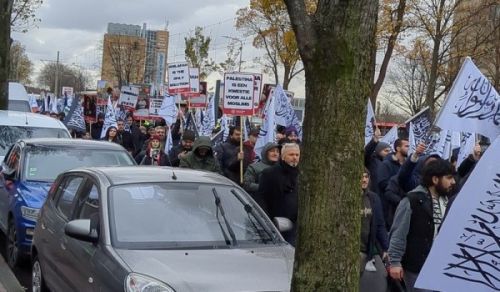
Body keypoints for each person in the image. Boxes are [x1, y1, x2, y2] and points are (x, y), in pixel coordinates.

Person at [388, 159, 456, 291]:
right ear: (435, 179)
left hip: (438, 265)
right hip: (416, 267)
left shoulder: (446, 200)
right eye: (449, 178)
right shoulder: (412, 200)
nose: (453, 182)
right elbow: (398, 234)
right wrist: (395, 262)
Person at [258, 143, 300, 246]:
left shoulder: (302, 173)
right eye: (291, 154)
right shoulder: (270, 173)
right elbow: (262, 199)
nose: (294, 157)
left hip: (297, 224)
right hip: (278, 224)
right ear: (283, 156)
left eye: (297, 155)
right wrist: (269, 222)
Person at [359, 169, 388, 292]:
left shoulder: (373, 198)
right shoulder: (346, 198)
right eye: (361, 177)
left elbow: (380, 224)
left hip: (369, 247)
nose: (364, 180)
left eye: (366, 176)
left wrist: (386, 248)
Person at [243, 142, 280, 209]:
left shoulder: (282, 168)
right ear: (265, 153)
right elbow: (247, 185)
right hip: (261, 206)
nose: (275, 154)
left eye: (277, 151)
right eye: (272, 151)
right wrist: (265, 187)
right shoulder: (254, 167)